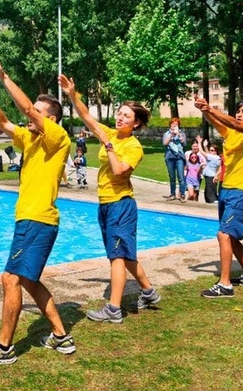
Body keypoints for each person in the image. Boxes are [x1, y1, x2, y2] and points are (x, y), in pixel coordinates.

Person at [0, 48, 75, 366]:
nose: (30, 117)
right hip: (32, 219)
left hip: (37, 218)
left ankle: (3, 348)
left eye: (38, 115)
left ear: (50, 119)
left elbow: (27, 108)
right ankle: (60, 335)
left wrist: (3, 77)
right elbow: (2, 122)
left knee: (10, 279)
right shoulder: (30, 140)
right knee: (27, 280)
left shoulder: (57, 137)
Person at [60, 74, 160, 324]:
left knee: (117, 256)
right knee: (124, 254)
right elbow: (86, 117)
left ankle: (114, 309)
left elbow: (119, 171)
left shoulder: (133, 146)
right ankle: (148, 292)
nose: (120, 117)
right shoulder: (110, 134)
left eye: (126, 116)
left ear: (135, 123)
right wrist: (73, 94)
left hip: (121, 204)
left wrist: (108, 145)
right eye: (119, 112)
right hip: (106, 204)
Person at [194, 97, 243, 297]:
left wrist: (210, 108)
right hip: (227, 189)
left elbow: (233, 123)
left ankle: (225, 284)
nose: (239, 114)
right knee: (231, 238)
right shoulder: (233, 134)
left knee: (224, 235)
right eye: (238, 110)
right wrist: (204, 110)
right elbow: (219, 123)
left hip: (241, 191)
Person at [162, 118, 187, 202]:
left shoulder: (182, 134)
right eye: (173, 124)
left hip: (179, 157)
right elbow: (165, 143)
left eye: (176, 124)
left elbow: (184, 143)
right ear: (170, 125)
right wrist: (171, 135)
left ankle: (182, 194)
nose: (174, 126)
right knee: (172, 177)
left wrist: (179, 135)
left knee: (181, 177)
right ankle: (172, 194)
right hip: (169, 157)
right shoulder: (167, 134)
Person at [196, 136, 221, 203]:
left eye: (213, 150)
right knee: (208, 192)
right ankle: (211, 203)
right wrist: (205, 146)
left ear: (216, 151)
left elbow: (201, 152)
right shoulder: (214, 157)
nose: (211, 151)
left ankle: (213, 204)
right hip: (209, 176)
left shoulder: (214, 157)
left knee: (210, 194)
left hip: (211, 177)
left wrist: (199, 142)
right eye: (210, 150)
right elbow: (208, 154)